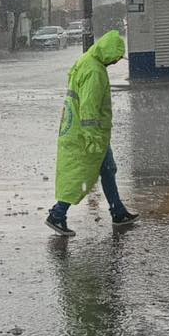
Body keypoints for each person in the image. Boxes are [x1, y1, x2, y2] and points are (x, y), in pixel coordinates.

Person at [48, 29, 138, 237]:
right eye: (113, 59)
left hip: (80, 131)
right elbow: (88, 107)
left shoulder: (86, 60)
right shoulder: (95, 71)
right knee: (80, 174)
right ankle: (57, 214)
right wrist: (92, 137)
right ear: (107, 54)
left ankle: (118, 212)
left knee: (107, 169)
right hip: (88, 135)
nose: (113, 63)